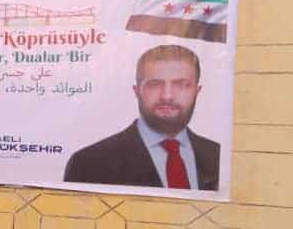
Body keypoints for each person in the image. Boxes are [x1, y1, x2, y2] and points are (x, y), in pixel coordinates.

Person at [64, 43, 219, 190]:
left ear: (197, 91)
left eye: (182, 84)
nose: (167, 96)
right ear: (137, 91)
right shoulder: (88, 163)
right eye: (154, 84)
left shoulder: (219, 157)